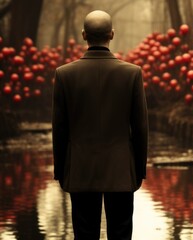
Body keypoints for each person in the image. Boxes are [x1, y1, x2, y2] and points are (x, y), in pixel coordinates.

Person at [52, 10, 148, 240]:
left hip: (81, 169)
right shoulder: (132, 74)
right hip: (121, 170)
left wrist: (61, 172)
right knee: (121, 233)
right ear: (112, 34)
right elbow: (141, 129)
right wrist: (138, 172)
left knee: (85, 235)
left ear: (84, 35)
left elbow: (59, 129)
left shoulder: (64, 75)